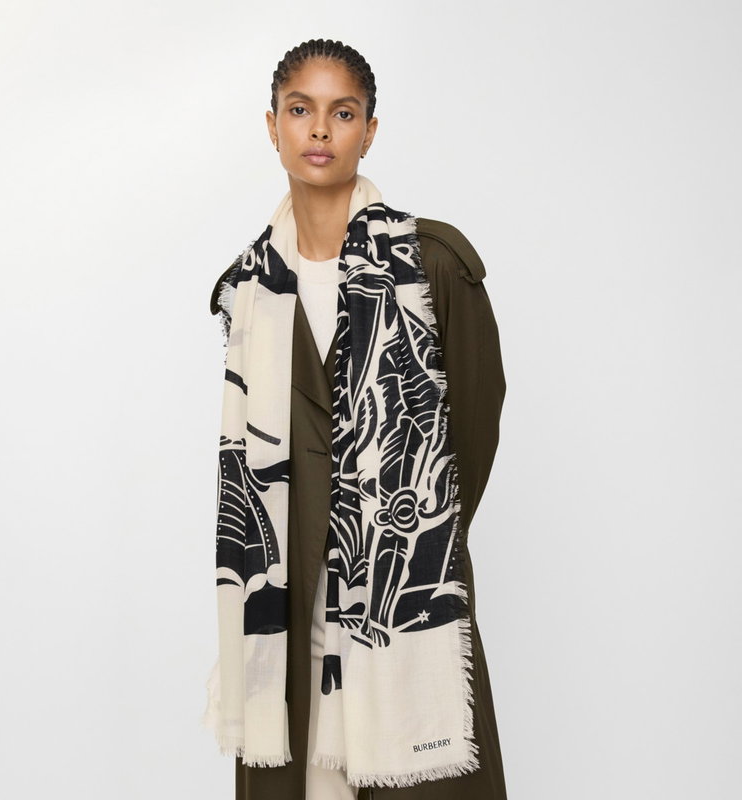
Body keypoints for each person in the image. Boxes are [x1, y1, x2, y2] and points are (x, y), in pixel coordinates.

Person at [205, 39, 508, 800]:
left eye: (342, 113)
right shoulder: (248, 291)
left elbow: (471, 435)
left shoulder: (431, 266)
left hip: (401, 617)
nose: (319, 130)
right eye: (299, 110)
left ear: (369, 131)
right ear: (272, 126)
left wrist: (401, 543)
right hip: (284, 624)